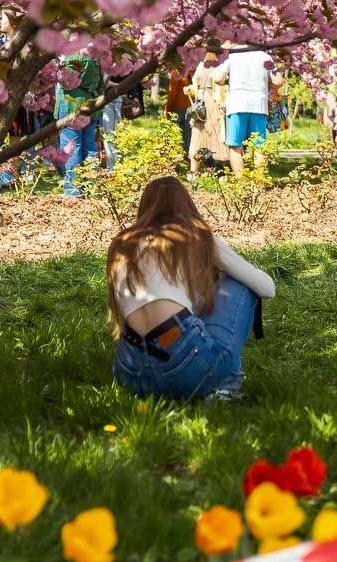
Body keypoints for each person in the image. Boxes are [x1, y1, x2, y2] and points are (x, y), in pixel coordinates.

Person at [106, 176, 276, 400]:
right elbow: (266, 288)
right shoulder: (195, 235)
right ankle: (227, 387)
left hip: (130, 372)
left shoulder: (122, 242)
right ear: (186, 204)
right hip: (183, 367)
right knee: (240, 285)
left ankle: (163, 388)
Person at [214, 43, 283, 177]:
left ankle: (241, 183)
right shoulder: (265, 57)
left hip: (236, 105)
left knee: (235, 146)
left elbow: (218, 79)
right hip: (259, 106)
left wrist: (228, 81)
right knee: (259, 147)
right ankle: (259, 182)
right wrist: (266, 83)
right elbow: (278, 81)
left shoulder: (232, 55)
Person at [58, 54, 103, 197]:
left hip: (71, 104)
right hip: (91, 104)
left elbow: (64, 81)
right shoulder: (95, 56)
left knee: (71, 147)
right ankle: (90, 188)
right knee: (89, 146)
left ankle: (73, 191)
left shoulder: (72, 55)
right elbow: (102, 83)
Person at [188, 50, 230, 174]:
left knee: (198, 133)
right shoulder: (220, 65)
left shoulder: (201, 65)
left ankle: (194, 170)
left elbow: (195, 84)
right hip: (212, 101)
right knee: (215, 133)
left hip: (201, 103)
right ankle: (219, 168)